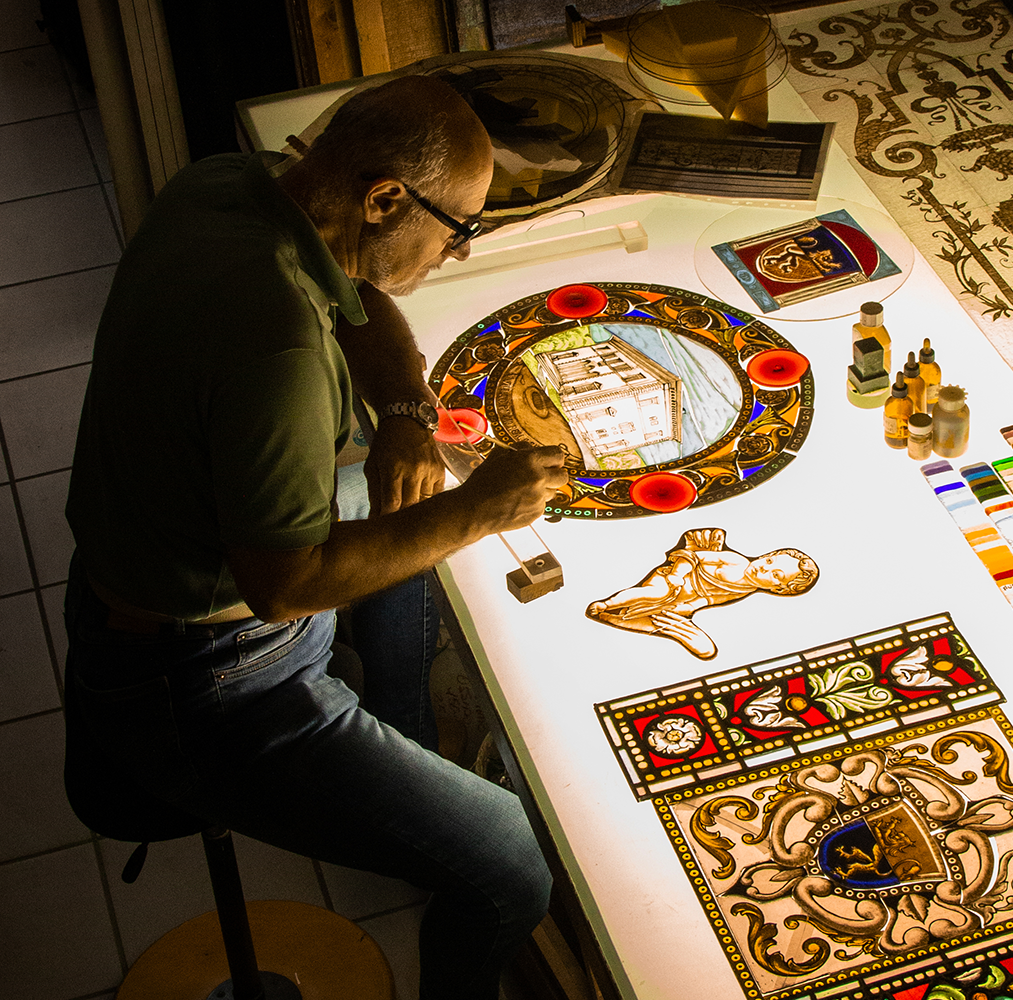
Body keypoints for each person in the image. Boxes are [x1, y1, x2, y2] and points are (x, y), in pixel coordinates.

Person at [63, 74, 568, 1000]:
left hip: (165, 578)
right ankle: (427, 813)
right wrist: (481, 511)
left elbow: (356, 292)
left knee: (399, 496)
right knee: (511, 866)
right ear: (384, 199)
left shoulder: (226, 185)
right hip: (205, 678)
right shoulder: (279, 346)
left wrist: (407, 412)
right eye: (458, 229)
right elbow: (285, 586)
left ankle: (404, 756)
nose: (456, 253)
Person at [585, 527, 818, 658]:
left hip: (686, 597)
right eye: (769, 560)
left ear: (777, 589)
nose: (765, 567)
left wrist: (689, 607)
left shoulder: (744, 590)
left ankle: (617, 618)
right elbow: (694, 556)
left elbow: (712, 598)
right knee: (654, 594)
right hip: (674, 578)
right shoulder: (735, 561)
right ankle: (608, 604)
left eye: (776, 574)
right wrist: (677, 574)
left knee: (701, 646)